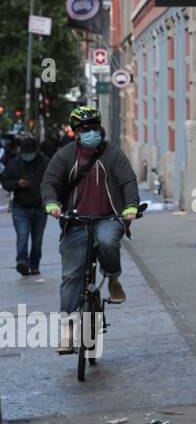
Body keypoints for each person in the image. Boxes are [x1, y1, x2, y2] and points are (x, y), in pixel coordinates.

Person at [41, 106, 140, 354]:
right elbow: (49, 182)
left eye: (94, 128)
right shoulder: (64, 156)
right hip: (76, 221)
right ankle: (68, 332)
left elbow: (128, 181)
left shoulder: (113, 153)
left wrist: (130, 207)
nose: (91, 133)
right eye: (85, 129)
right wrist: (51, 203)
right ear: (76, 132)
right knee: (72, 276)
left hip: (108, 218)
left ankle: (114, 277)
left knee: (108, 241)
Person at [2, 135, 49, 275]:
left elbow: (54, 179)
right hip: (21, 206)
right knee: (22, 236)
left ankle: (34, 265)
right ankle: (22, 261)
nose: (28, 156)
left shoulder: (45, 162)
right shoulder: (14, 163)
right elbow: (5, 182)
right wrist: (17, 184)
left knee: (37, 240)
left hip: (40, 207)